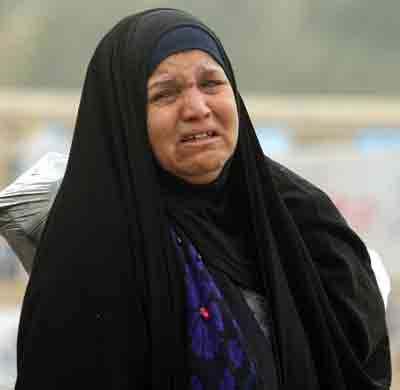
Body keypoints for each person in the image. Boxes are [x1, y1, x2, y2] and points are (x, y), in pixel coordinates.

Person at [15, 8, 391, 389]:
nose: (197, 108)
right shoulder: (92, 254)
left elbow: (355, 351)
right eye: (165, 93)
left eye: (211, 83)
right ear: (125, 117)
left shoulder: (297, 219)